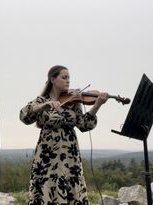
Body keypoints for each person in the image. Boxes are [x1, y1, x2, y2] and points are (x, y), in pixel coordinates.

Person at [20, 65, 109, 205]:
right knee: (47, 187)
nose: (68, 81)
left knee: (72, 188)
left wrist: (97, 105)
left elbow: (84, 125)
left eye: (69, 78)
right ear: (53, 79)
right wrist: (44, 106)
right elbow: (24, 116)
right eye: (64, 77)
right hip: (47, 156)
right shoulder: (41, 101)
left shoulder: (73, 102)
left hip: (70, 156)